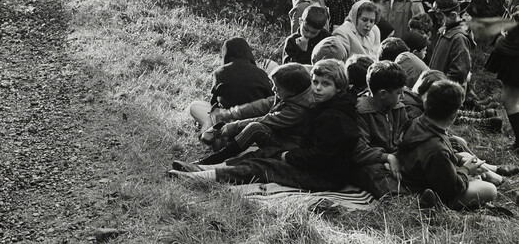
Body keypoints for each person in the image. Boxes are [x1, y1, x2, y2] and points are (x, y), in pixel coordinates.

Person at [170, 59, 360, 191]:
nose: (317, 88)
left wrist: (289, 156)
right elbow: (265, 105)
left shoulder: (334, 116)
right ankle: (205, 168)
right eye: (315, 82)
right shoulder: (326, 104)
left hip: (323, 176)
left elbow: (322, 156)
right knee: (261, 155)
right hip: (312, 162)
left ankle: (201, 177)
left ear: (339, 88)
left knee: (262, 168)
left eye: (325, 84)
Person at [397, 80, 498, 210]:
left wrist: (461, 164)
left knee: (471, 165)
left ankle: (478, 200)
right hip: (426, 189)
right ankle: (440, 206)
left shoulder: (417, 122)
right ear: (454, 115)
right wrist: (467, 170)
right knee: (490, 190)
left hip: (419, 176)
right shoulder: (437, 149)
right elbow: (451, 188)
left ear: (426, 102)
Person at [195, 63, 312, 165]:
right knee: (248, 128)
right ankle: (225, 145)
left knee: (255, 128)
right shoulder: (290, 96)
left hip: (288, 145)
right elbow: (260, 106)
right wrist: (230, 114)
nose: (273, 89)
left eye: (278, 88)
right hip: (281, 136)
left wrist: (233, 126)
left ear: (292, 90)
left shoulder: (298, 109)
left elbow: (267, 120)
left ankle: (217, 158)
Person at [352, 61, 410, 198]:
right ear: (383, 94)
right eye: (399, 93)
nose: (403, 97)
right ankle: (400, 197)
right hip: (370, 161)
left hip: (394, 157)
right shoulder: (360, 111)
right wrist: (388, 157)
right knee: (373, 171)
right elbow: (359, 151)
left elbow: (406, 134)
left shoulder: (398, 108)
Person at [189, 37, 273, 131]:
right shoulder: (261, 73)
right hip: (255, 123)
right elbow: (271, 98)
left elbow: (214, 103)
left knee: (194, 106)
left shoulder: (219, 73)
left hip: (228, 121)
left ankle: (215, 131)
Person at [484, 0, 519, 153]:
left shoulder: (516, 2)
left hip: (515, 55)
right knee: (510, 98)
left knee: (509, 99)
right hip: (511, 52)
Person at [428, 0, 473, 87]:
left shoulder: (459, 38)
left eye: (440, 16)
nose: (438, 20)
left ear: (453, 15)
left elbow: (458, 74)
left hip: (446, 93)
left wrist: (440, 87)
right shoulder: (445, 32)